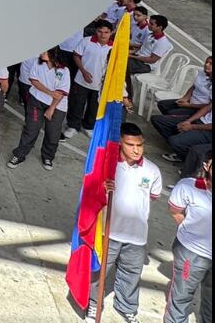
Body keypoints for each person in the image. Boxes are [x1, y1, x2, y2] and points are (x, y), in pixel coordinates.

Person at [85, 123, 163, 323]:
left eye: (140, 145)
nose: (136, 150)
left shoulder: (152, 170)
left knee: (131, 274)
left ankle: (126, 307)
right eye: (130, 145)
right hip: (109, 231)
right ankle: (93, 304)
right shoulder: (108, 167)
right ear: (120, 143)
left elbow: (153, 196)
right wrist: (103, 186)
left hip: (137, 235)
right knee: (99, 270)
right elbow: (91, 192)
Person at [163, 154, 212, 323]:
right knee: (181, 298)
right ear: (206, 166)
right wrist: (192, 231)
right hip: (191, 253)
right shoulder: (188, 186)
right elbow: (175, 210)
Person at [9, 48, 70, 170]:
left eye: (44, 52)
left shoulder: (64, 71)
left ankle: (47, 157)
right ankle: (19, 155)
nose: (41, 53)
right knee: (31, 129)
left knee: (53, 133)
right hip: (37, 100)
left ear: (53, 55)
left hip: (57, 105)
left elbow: (60, 93)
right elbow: (34, 81)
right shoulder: (37, 63)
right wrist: (49, 92)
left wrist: (51, 108)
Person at [64, 21, 114, 140]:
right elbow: (76, 55)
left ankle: (88, 126)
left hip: (100, 83)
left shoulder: (114, 47)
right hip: (81, 79)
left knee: (94, 106)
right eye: (100, 31)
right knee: (76, 103)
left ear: (111, 33)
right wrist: (83, 71)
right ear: (95, 31)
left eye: (106, 32)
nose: (103, 35)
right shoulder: (87, 41)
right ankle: (73, 126)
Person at [125, 14, 173, 95]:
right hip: (137, 58)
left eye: (152, 24)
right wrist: (129, 52)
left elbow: (151, 60)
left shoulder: (162, 43)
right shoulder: (150, 35)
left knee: (121, 65)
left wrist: (131, 56)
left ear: (160, 27)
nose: (149, 25)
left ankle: (128, 94)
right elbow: (142, 47)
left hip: (145, 65)